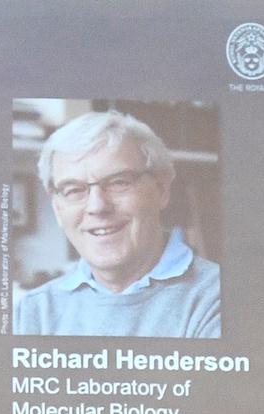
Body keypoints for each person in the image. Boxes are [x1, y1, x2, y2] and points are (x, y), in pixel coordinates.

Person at [14, 110, 221, 339]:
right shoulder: (33, 311)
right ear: (57, 209)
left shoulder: (217, 297)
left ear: (161, 190)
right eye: (73, 190)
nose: (97, 207)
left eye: (118, 183)